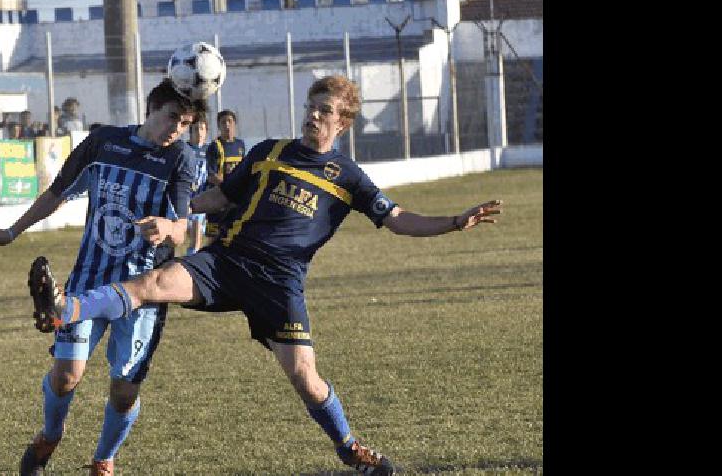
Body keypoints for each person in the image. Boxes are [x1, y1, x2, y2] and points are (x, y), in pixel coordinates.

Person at [25, 76, 505, 475]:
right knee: (154, 284)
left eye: (324, 110)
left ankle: (348, 447)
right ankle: (66, 307)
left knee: (304, 376)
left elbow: (397, 218)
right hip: (229, 261)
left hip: (280, 283)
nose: (313, 115)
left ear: (342, 122)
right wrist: (173, 212)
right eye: (311, 106)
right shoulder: (270, 151)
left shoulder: (348, 176)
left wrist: (452, 223)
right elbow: (218, 199)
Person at [0, 78, 204, 475]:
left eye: (185, 123)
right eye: (172, 117)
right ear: (151, 108)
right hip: (89, 280)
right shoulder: (104, 143)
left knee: (123, 391)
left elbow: (185, 225)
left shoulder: (181, 159)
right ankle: (50, 435)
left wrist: (168, 229)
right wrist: (11, 231)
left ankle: (104, 459)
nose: (176, 129)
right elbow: (56, 193)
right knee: (67, 376)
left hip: (144, 292)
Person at [204, 109, 246, 241]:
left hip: (235, 200)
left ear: (234, 124)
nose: (227, 125)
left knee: (233, 235)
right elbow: (211, 175)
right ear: (219, 126)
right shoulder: (215, 147)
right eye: (223, 122)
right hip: (218, 198)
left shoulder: (240, 145)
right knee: (214, 238)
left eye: (230, 121)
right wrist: (229, 187)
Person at [184, 117, 210, 255]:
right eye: (195, 129)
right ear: (190, 132)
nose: (199, 133)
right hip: (185, 196)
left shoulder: (210, 150)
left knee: (197, 236)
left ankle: (192, 260)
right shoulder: (185, 149)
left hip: (201, 198)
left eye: (202, 129)